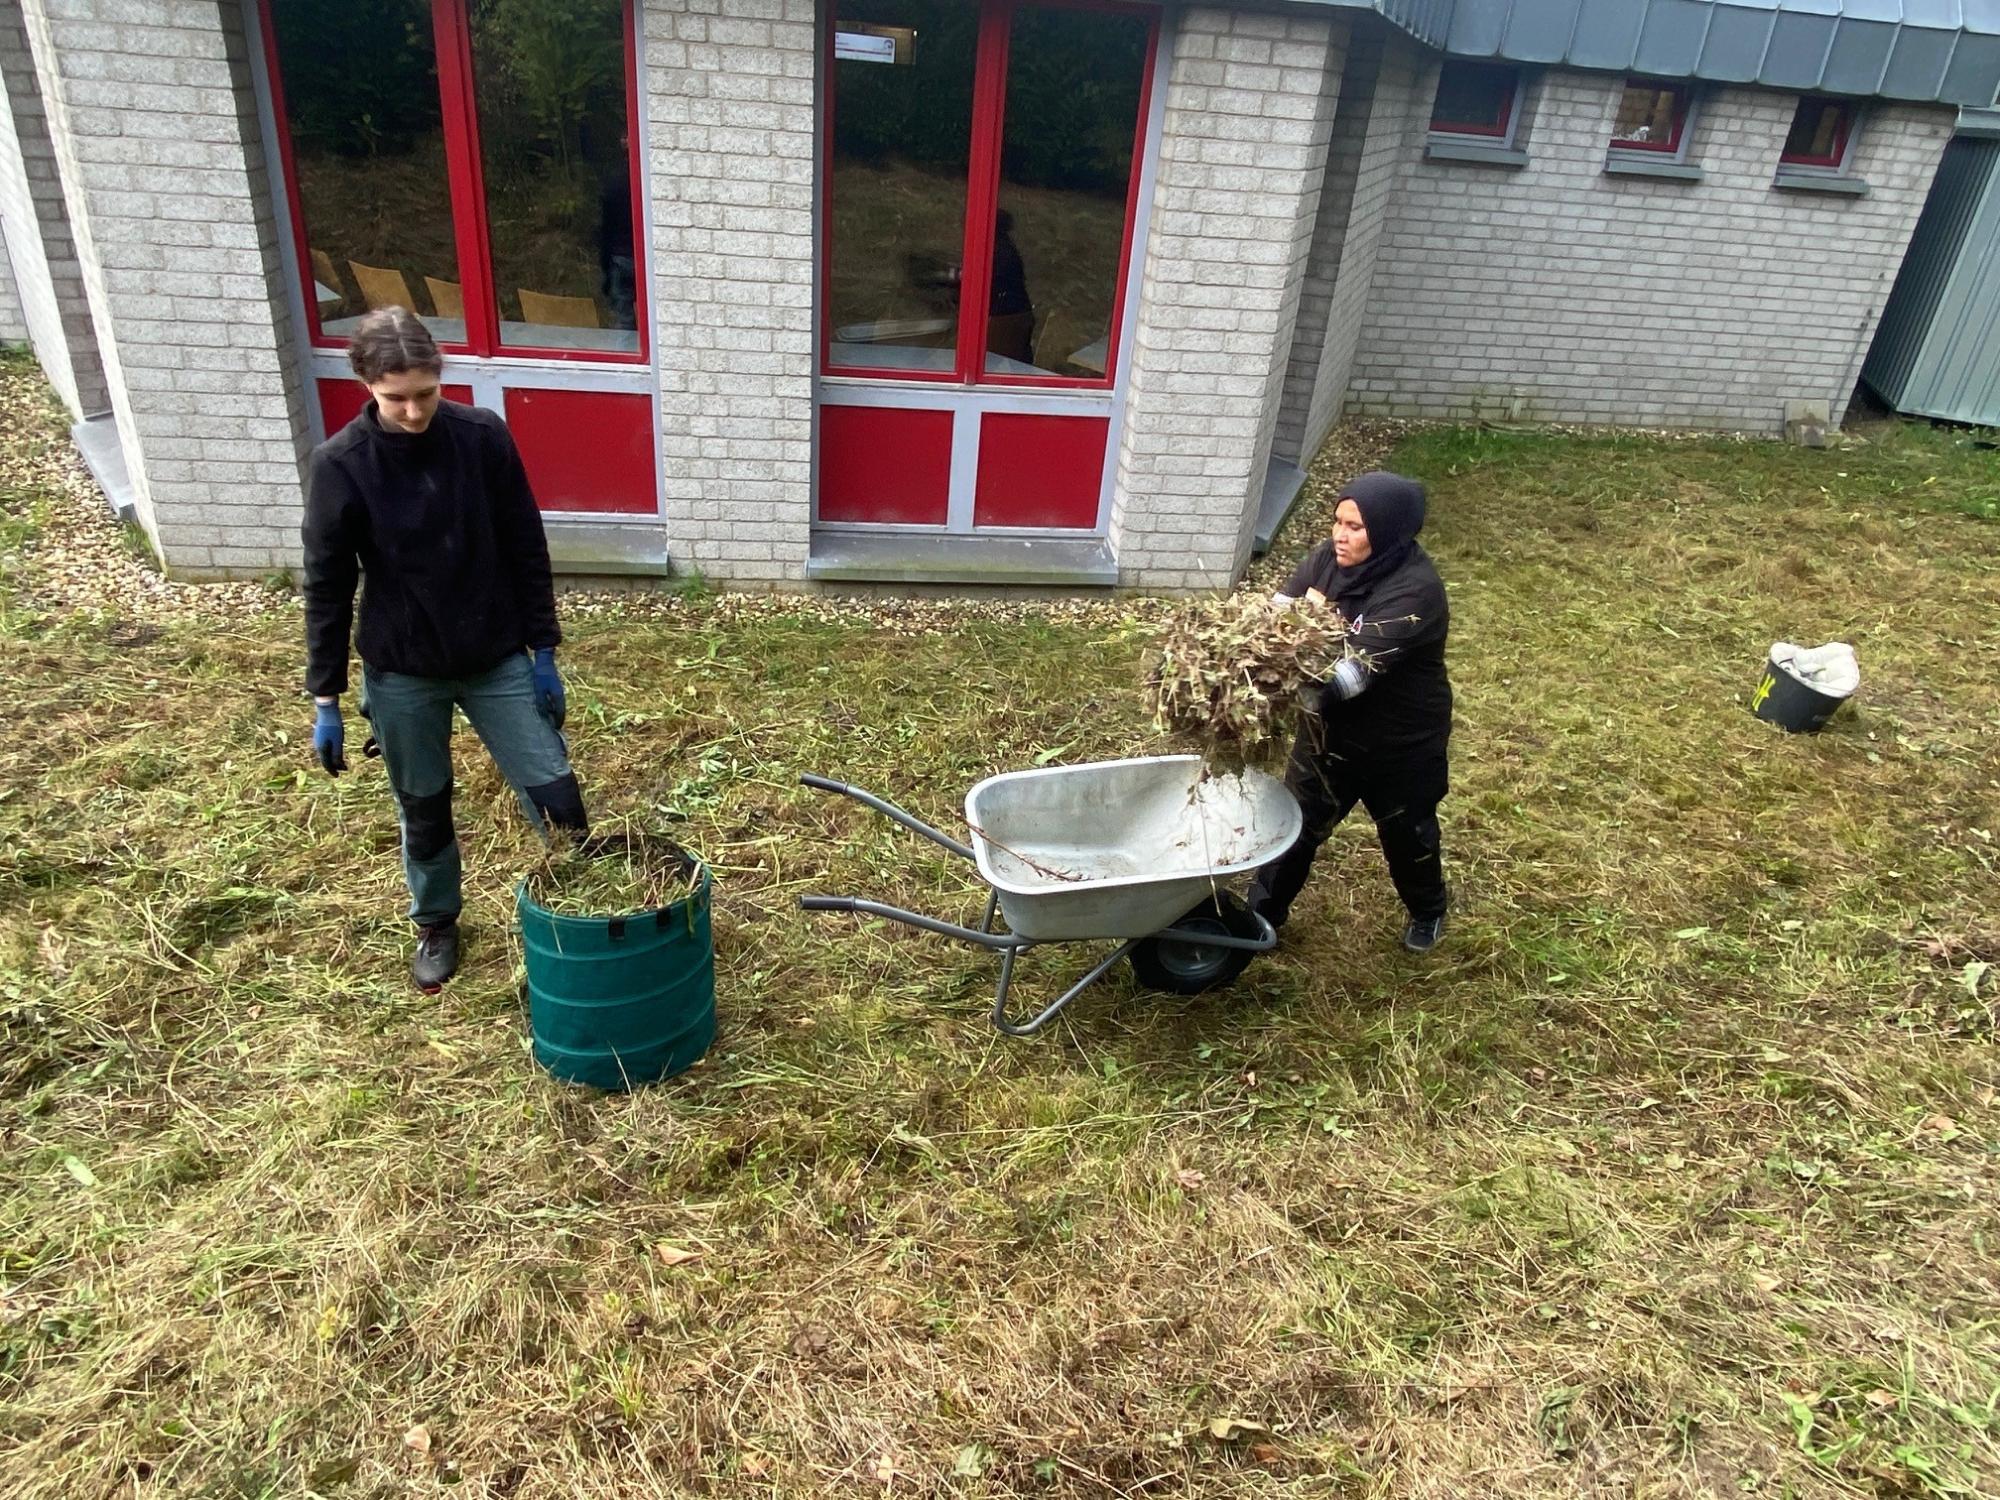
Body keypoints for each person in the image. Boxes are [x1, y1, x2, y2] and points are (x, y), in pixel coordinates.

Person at [302, 307, 589, 992]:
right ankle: (436, 921)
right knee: (424, 806)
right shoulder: (342, 465)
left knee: (557, 794)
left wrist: (543, 649)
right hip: (403, 669)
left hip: (494, 657)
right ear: (366, 387)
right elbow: (327, 583)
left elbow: (525, 543)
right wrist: (327, 696)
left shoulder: (480, 437)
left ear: (441, 378)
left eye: (425, 393)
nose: (412, 411)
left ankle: (583, 902)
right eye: (394, 397)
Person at [1249, 472, 1453, 952]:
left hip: (1400, 743)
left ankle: (1429, 910)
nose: (1341, 535)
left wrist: (1275, 697)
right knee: (1295, 825)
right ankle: (1260, 917)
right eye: (1338, 521)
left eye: (1356, 527)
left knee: (1407, 834)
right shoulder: (1327, 559)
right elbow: (1273, 616)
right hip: (1329, 735)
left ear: (1386, 531)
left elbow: (1350, 677)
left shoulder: (1415, 592)